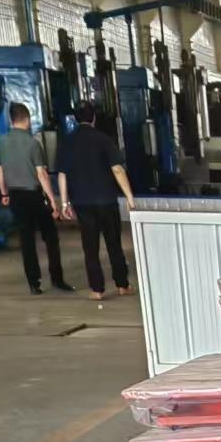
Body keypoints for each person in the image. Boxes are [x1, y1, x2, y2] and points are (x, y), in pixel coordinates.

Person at [57, 102, 136, 300]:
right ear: (93, 118)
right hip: (106, 201)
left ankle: (97, 290)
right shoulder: (103, 139)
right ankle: (122, 285)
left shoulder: (67, 142)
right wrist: (129, 197)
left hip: (82, 203)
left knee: (90, 248)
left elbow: (62, 174)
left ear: (76, 119)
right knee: (114, 244)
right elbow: (117, 169)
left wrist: (65, 203)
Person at [0, 102, 71, 295]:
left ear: (11, 120)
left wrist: (4, 194)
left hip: (16, 196)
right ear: (27, 120)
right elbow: (42, 174)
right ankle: (57, 278)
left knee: (26, 239)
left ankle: (34, 283)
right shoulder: (32, 143)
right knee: (50, 237)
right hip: (34, 194)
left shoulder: (1, 142)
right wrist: (52, 200)